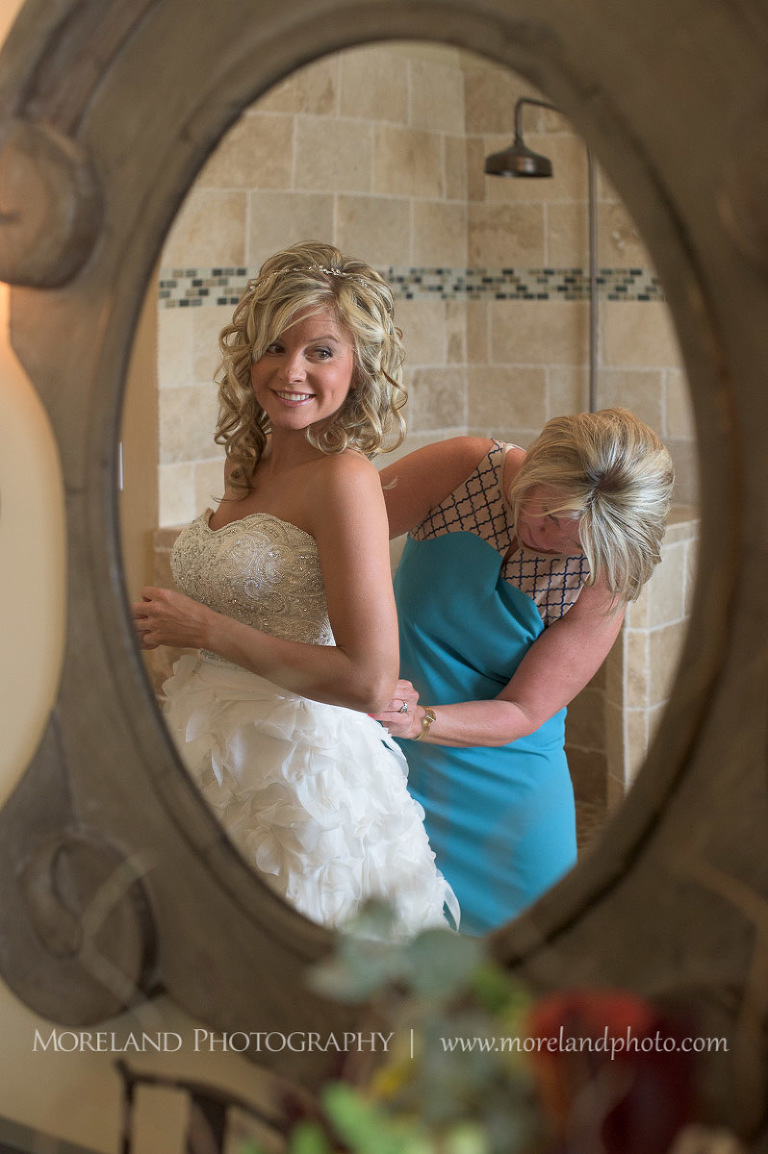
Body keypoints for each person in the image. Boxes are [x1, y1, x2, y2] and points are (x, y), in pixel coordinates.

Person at [133, 241, 458, 936]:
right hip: (207, 751)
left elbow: (373, 682)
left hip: (298, 782)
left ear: (359, 367)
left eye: (321, 353)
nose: (291, 372)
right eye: (275, 346)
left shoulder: (344, 480)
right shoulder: (245, 462)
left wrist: (206, 629)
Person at [373, 409, 674, 936]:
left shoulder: (607, 571)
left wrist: (419, 720)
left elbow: (523, 709)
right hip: (389, 760)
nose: (553, 539)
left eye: (575, 542)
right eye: (551, 513)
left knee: (536, 959)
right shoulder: (466, 469)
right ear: (538, 467)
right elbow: (334, 539)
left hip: (508, 773)